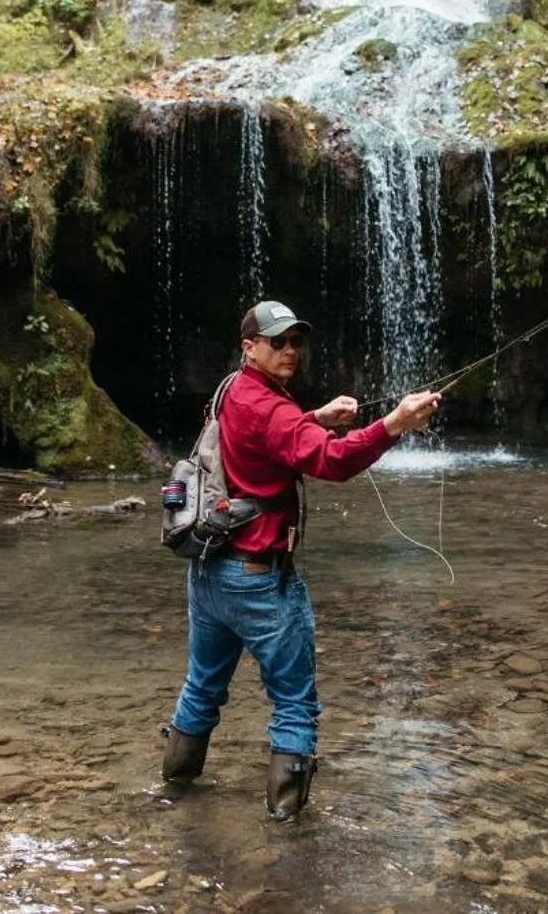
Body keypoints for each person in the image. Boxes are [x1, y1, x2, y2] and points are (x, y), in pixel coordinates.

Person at [160, 299, 442, 821]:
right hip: (258, 577)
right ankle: (287, 826)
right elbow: (331, 460)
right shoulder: (272, 408)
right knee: (294, 702)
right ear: (250, 346)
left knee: (202, 685)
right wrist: (395, 424)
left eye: (295, 341)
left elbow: (260, 439)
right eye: (277, 341)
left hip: (208, 571)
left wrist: (314, 417)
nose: (290, 350)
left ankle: (175, 790)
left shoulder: (232, 390)